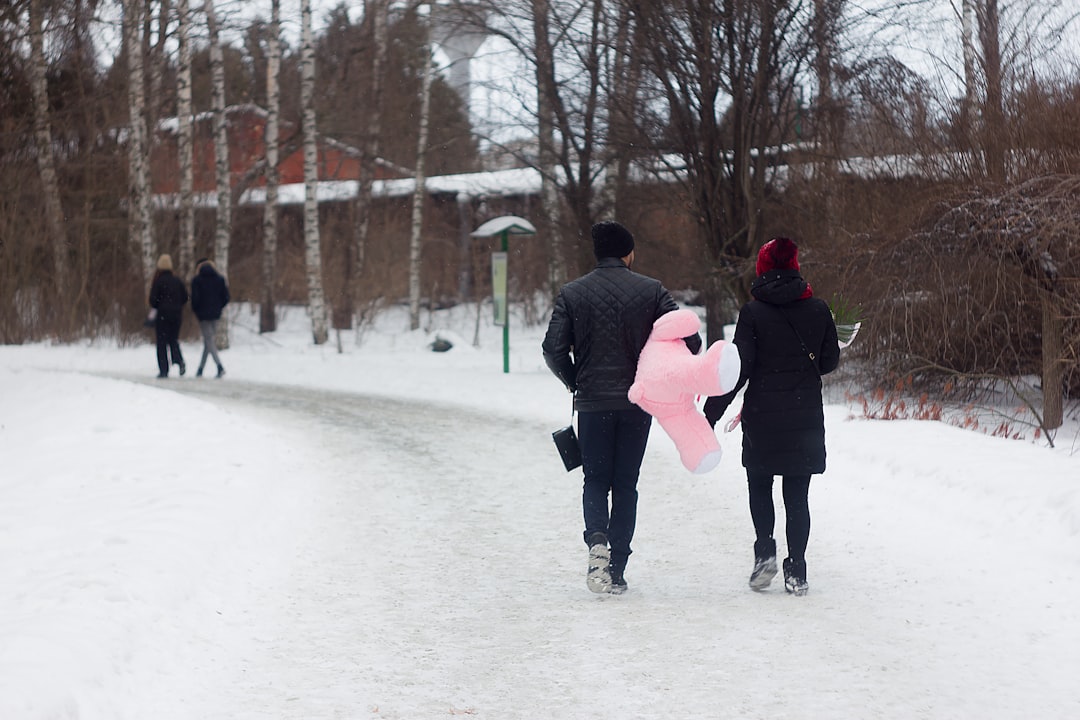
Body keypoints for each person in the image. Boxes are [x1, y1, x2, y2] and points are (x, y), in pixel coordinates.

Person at [543, 220, 701, 595]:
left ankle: (597, 540)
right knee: (626, 483)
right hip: (637, 402)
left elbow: (552, 349)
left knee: (596, 479)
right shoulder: (653, 291)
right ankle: (617, 568)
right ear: (628, 254)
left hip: (592, 404)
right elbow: (691, 339)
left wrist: (575, 380)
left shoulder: (572, 293)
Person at [704, 237, 840, 596]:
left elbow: (739, 369)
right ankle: (797, 570)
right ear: (795, 266)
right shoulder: (818, 309)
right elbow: (828, 362)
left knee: (760, 484)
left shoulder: (753, 313)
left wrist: (710, 412)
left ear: (762, 269)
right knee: (797, 495)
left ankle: (765, 553)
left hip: (763, 416)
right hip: (804, 416)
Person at [148, 253, 188, 378]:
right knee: (173, 340)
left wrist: (161, 304)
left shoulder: (158, 282)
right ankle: (179, 360)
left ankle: (164, 370)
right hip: (176, 315)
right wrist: (176, 305)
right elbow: (185, 297)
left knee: (162, 343)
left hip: (162, 315)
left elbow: (153, 300)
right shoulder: (177, 281)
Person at [190, 257, 230, 378]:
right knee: (209, 341)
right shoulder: (220, 279)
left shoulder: (197, 280)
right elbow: (226, 297)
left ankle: (219, 366)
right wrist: (218, 307)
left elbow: (195, 299)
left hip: (203, 315)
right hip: (215, 314)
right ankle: (200, 369)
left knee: (209, 340)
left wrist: (197, 310)